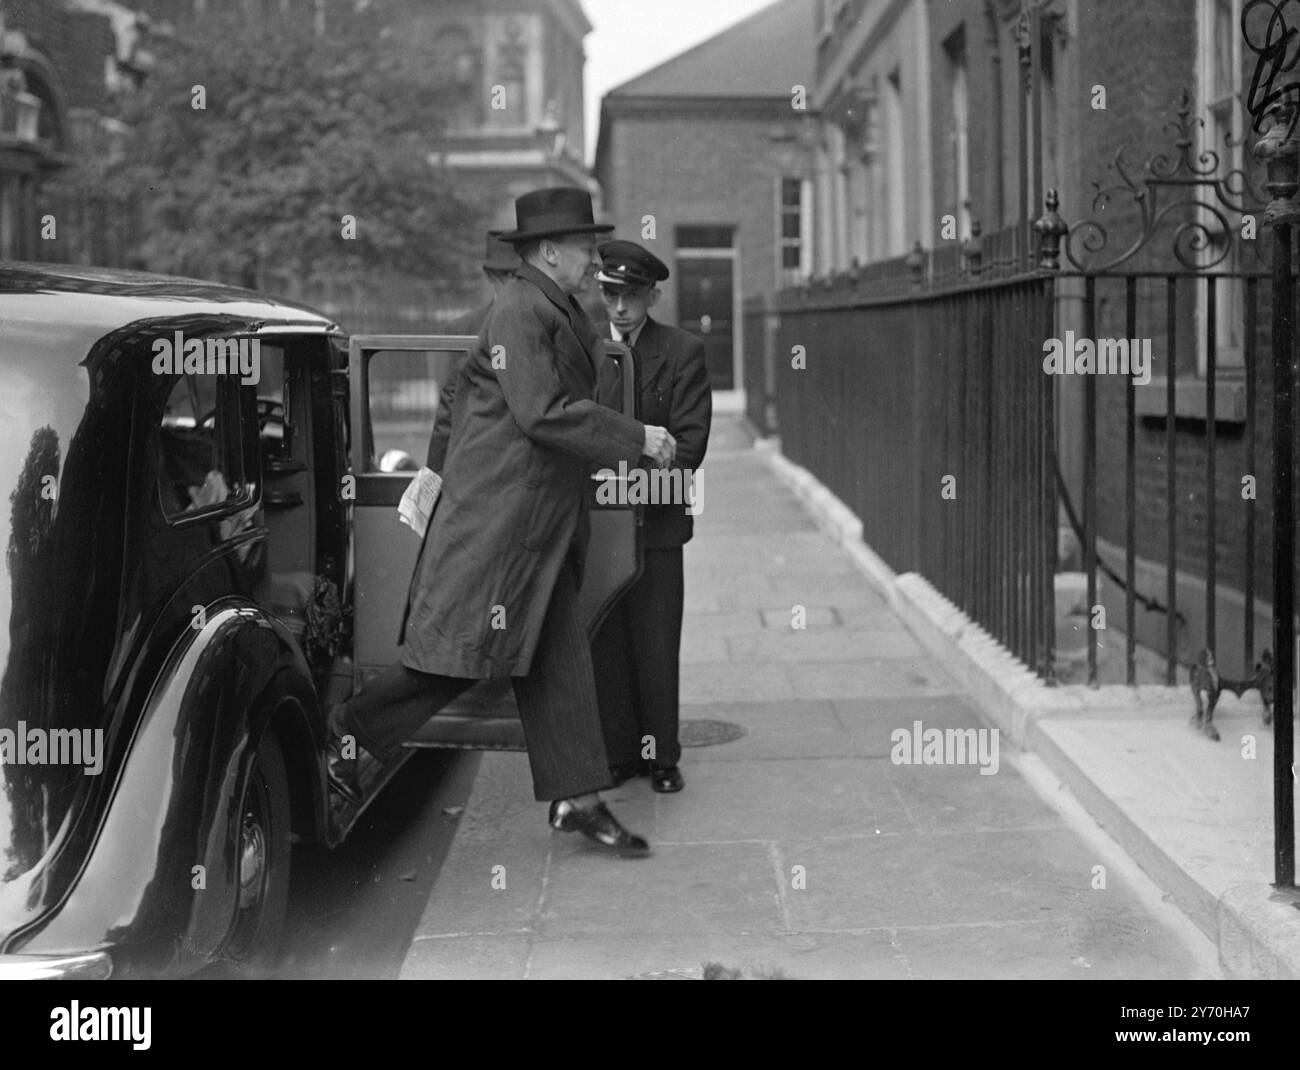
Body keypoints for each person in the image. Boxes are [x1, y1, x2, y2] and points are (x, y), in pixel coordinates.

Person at [327, 187, 677, 853]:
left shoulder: (551, 305)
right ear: (549, 251)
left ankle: (578, 797)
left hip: (536, 525)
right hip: (502, 522)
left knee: (559, 660)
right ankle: (346, 736)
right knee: (455, 658)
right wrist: (637, 438)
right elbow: (542, 412)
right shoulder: (521, 309)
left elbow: (474, 399)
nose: (593, 259)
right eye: (583, 247)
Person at [591, 240, 712, 794]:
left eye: (632, 296)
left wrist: (629, 489)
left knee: (657, 639)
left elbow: (689, 445)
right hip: (600, 525)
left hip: (657, 524)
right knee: (609, 641)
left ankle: (662, 756)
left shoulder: (682, 351)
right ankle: (619, 754)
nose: (620, 308)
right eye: (611, 295)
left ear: (653, 296)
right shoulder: (586, 349)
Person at [428, 231, 520, 473]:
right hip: (476, 459)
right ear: (490, 276)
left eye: (520, 276)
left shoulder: (545, 324)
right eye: (506, 275)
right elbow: (449, 409)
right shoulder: (462, 330)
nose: (514, 283)